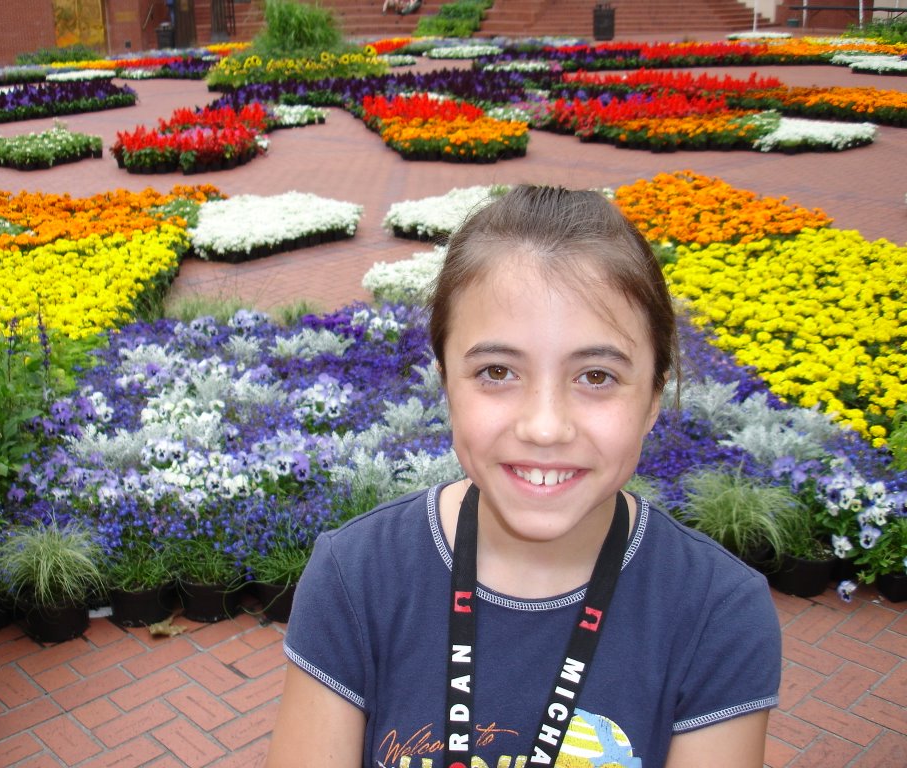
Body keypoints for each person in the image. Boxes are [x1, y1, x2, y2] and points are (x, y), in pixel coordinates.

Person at [266, 185, 782, 768]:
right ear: (446, 383)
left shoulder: (717, 611)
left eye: (596, 376)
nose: (544, 427)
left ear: (653, 399)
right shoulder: (357, 577)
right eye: (497, 371)